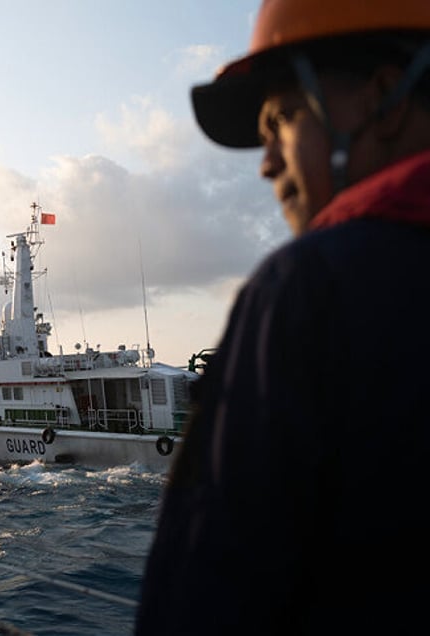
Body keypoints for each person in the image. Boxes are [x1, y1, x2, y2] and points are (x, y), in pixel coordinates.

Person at [136, 1, 430, 634]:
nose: (267, 163)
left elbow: (201, 595)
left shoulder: (310, 289)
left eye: (284, 117)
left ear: (386, 98)